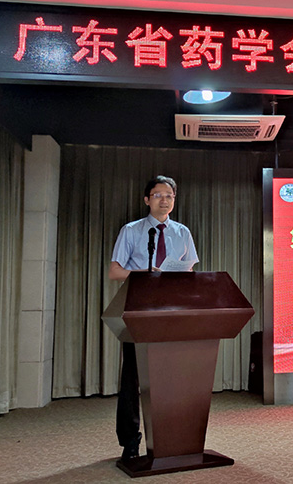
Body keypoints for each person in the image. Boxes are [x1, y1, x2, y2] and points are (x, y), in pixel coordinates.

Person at [108, 175, 198, 460]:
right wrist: (144, 274)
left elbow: (190, 270)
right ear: (147, 199)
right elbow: (115, 271)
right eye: (158, 195)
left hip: (172, 310)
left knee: (172, 376)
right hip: (139, 309)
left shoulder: (182, 232)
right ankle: (130, 442)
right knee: (133, 378)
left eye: (169, 196)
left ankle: (171, 437)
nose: (164, 200)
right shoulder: (132, 230)